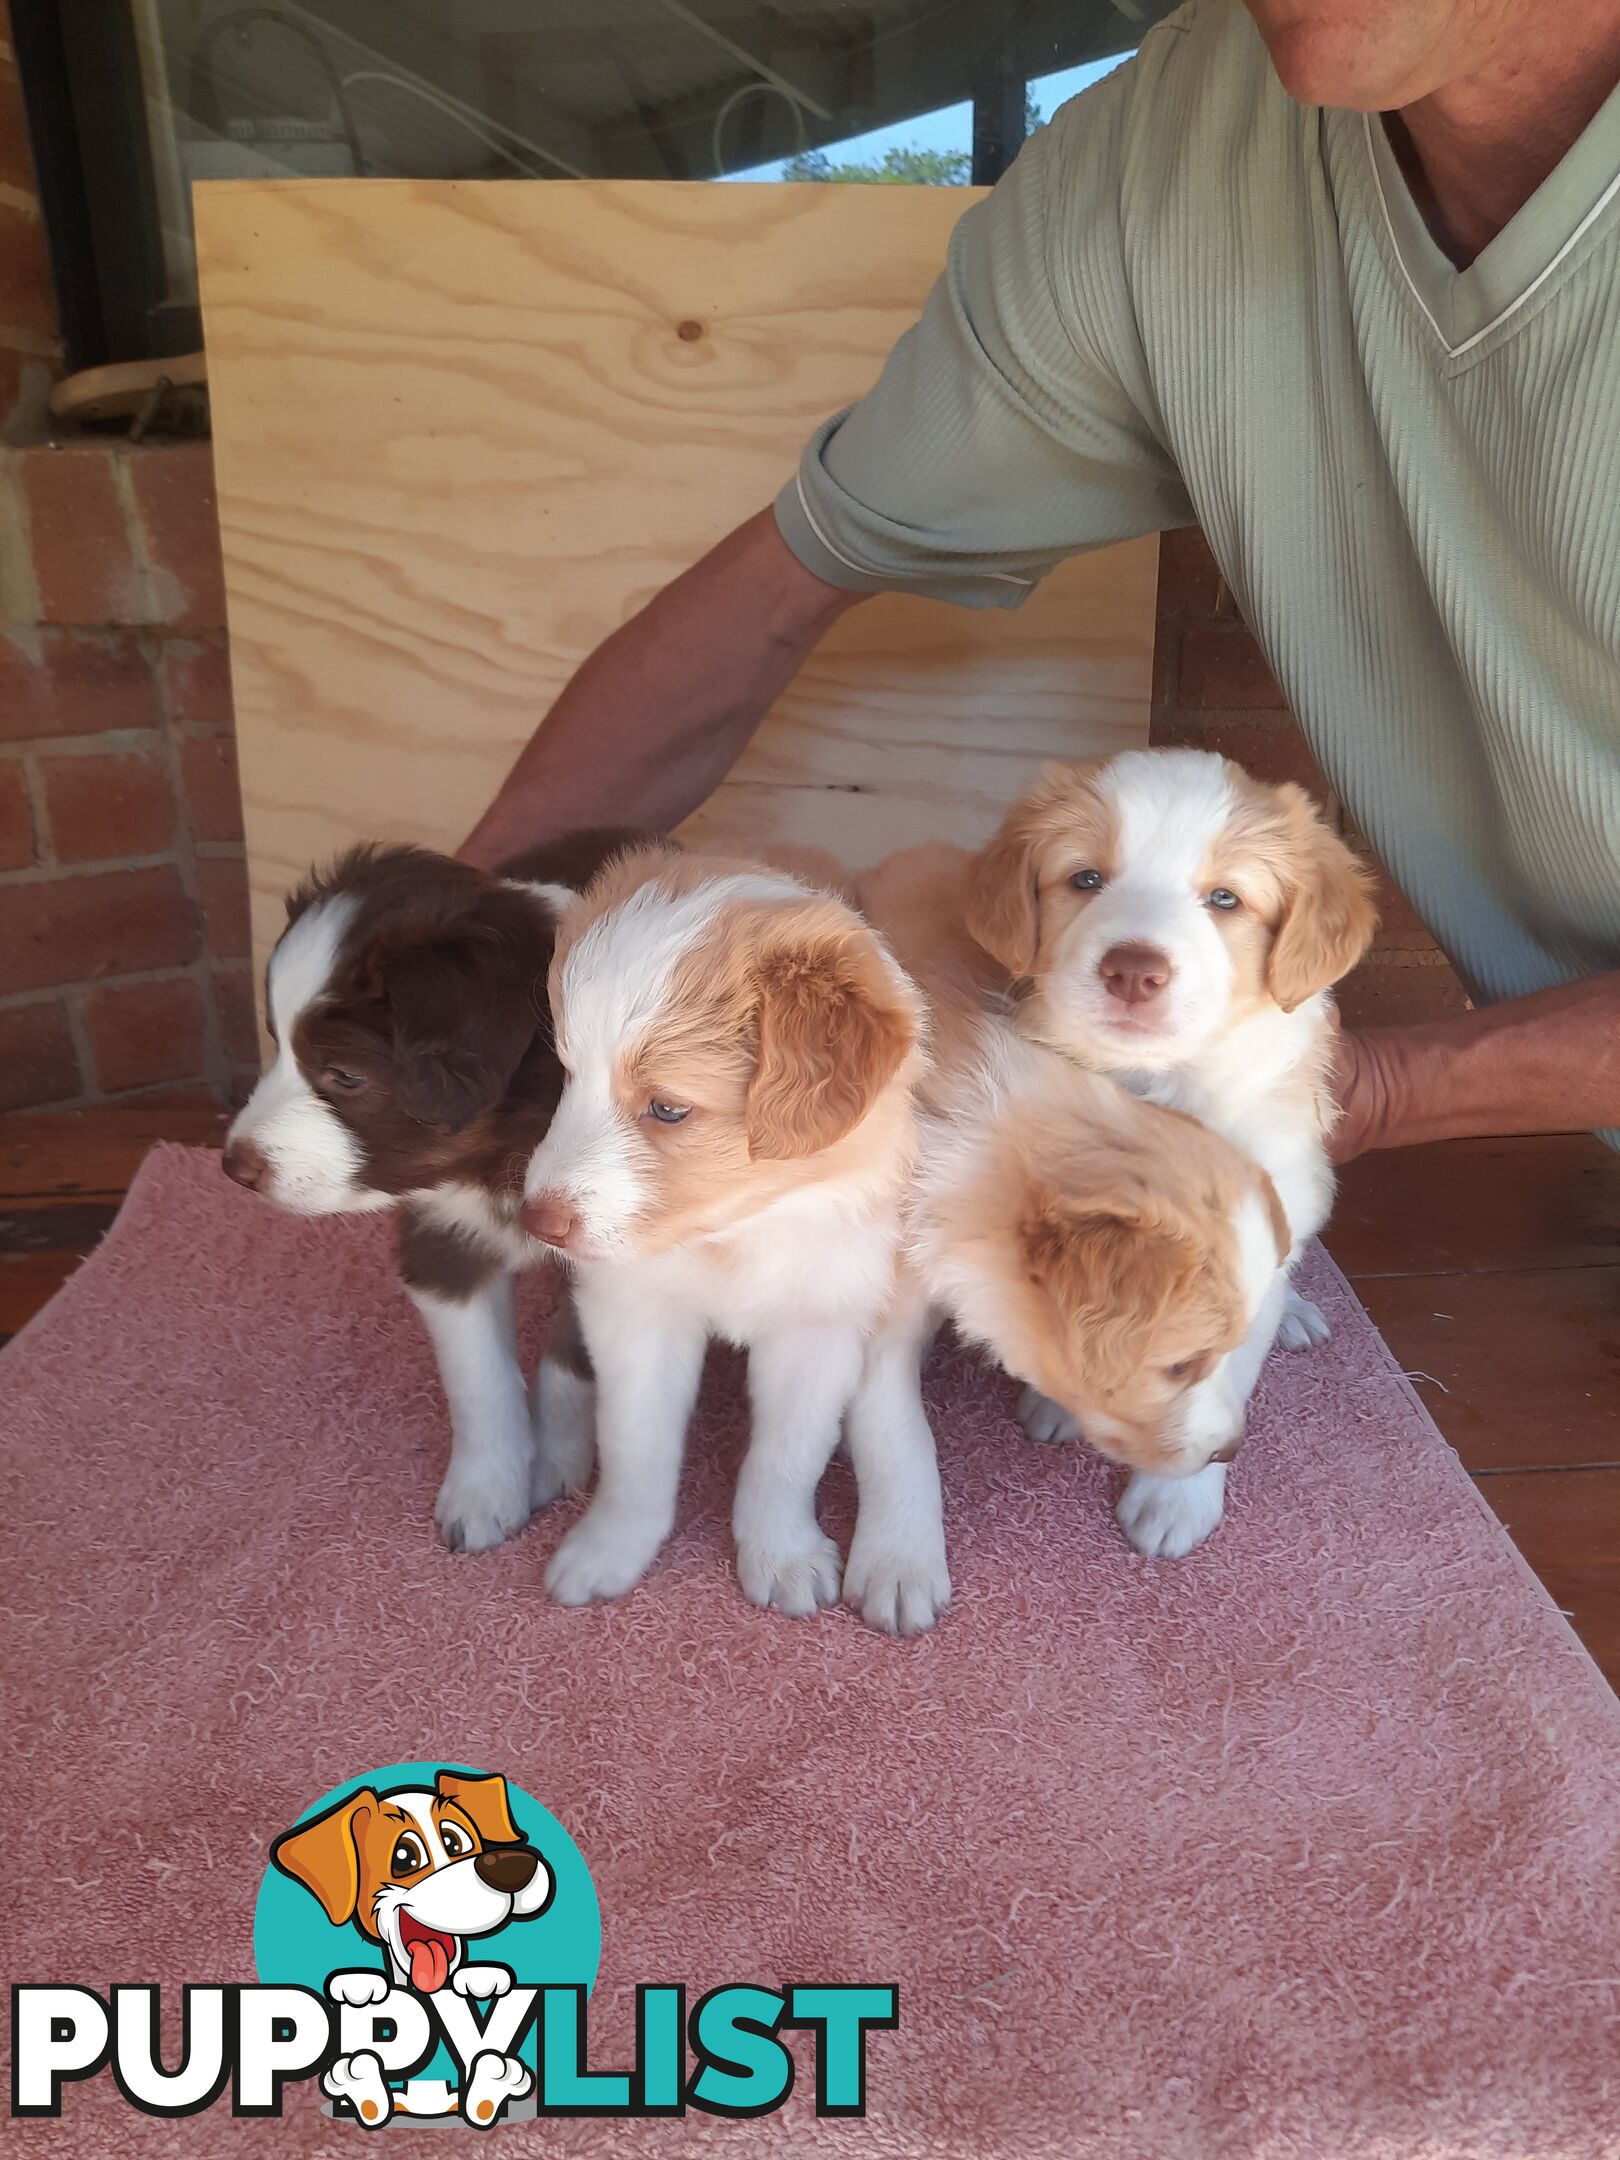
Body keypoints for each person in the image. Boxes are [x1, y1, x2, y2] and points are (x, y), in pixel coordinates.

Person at [462, 0, 1620, 1162]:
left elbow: (1336, 1088)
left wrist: (1359, 1090)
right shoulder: (1173, 154)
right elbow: (775, 589)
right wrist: (456, 942)